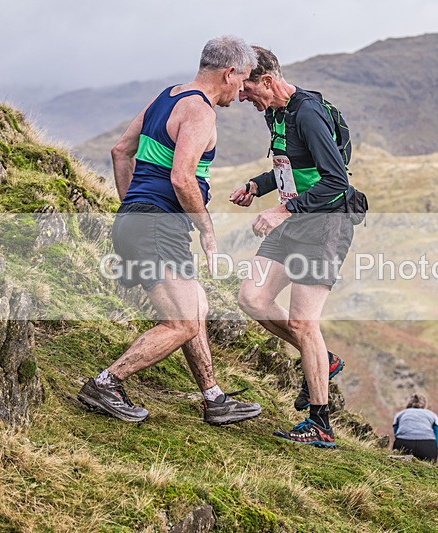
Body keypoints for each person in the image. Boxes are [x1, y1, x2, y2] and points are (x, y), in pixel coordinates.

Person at [78, 36, 262, 426]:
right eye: (243, 80)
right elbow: (182, 179)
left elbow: (120, 151)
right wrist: (208, 232)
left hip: (137, 220)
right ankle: (106, 384)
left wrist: (134, 205)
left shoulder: (167, 96)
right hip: (159, 225)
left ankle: (214, 397)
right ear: (229, 72)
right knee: (182, 322)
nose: (243, 90)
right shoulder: (200, 111)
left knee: (194, 308)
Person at [229, 46, 353, 448]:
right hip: (295, 215)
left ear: (267, 80)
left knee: (303, 322)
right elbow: (291, 169)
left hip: (326, 222)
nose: (242, 96)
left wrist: (283, 212)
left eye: (247, 88)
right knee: (252, 297)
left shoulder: (308, 114)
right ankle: (322, 357)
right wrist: (256, 186)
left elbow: (336, 181)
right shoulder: (275, 113)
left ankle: (320, 424)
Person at [392, 394, 438, 462]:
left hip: (404, 443)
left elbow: (396, 433)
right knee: (428, 467)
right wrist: (434, 449)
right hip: (427, 446)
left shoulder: (400, 414)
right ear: (424, 404)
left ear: (409, 403)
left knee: (399, 465)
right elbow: (436, 435)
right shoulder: (432, 415)